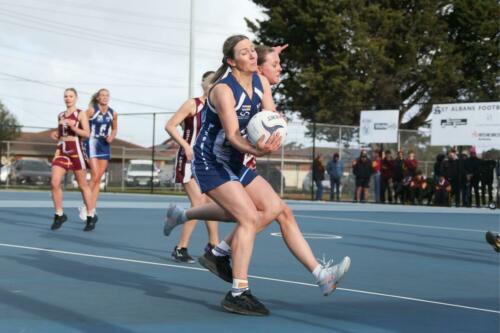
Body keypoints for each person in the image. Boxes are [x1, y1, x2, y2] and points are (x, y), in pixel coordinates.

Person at [164, 36, 350, 315]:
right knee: (248, 216)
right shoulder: (223, 91)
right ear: (231, 61)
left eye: (253, 50)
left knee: (279, 210)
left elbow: (270, 115)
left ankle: (321, 275)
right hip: (210, 161)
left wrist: (276, 129)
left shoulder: (260, 83)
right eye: (244, 52)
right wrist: (258, 150)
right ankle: (238, 292)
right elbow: (232, 136)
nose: (251, 55)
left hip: (236, 161)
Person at [164, 71, 219, 263]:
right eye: (210, 81)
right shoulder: (192, 104)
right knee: (198, 204)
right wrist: (186, 145)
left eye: (217, 82)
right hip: (188, 160)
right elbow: (170, 125)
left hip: (208, 161)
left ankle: (213, 245)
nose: (213, 85)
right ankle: (180, 248)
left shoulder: (219, 107)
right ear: (203, 83)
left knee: (211, 204)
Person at [50, 88, 97, 231]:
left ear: (76, 98)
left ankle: (90, 215)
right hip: (62, 149)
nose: (68, 98)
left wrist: (74, 128)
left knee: (82, 185)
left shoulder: (80, 114)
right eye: (65, 96)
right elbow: (61, 133)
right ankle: (59, 214)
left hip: (76, 149)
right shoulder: (61, 115)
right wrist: (56, 134)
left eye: (70, 96)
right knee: (54, 182)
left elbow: (87, 134)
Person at [79, 88, 118, 223]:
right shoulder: (91, 110)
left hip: (104, 144)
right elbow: (80, 120)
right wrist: (84, 133)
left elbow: (114, 128)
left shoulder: (113, 113)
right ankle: (85, 206)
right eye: (102, 95)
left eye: (107, 95)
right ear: (98, 98)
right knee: (95, 175)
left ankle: (92, 207)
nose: (105, 97)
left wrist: (111, 136)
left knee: (98, 179)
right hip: (92, 143)